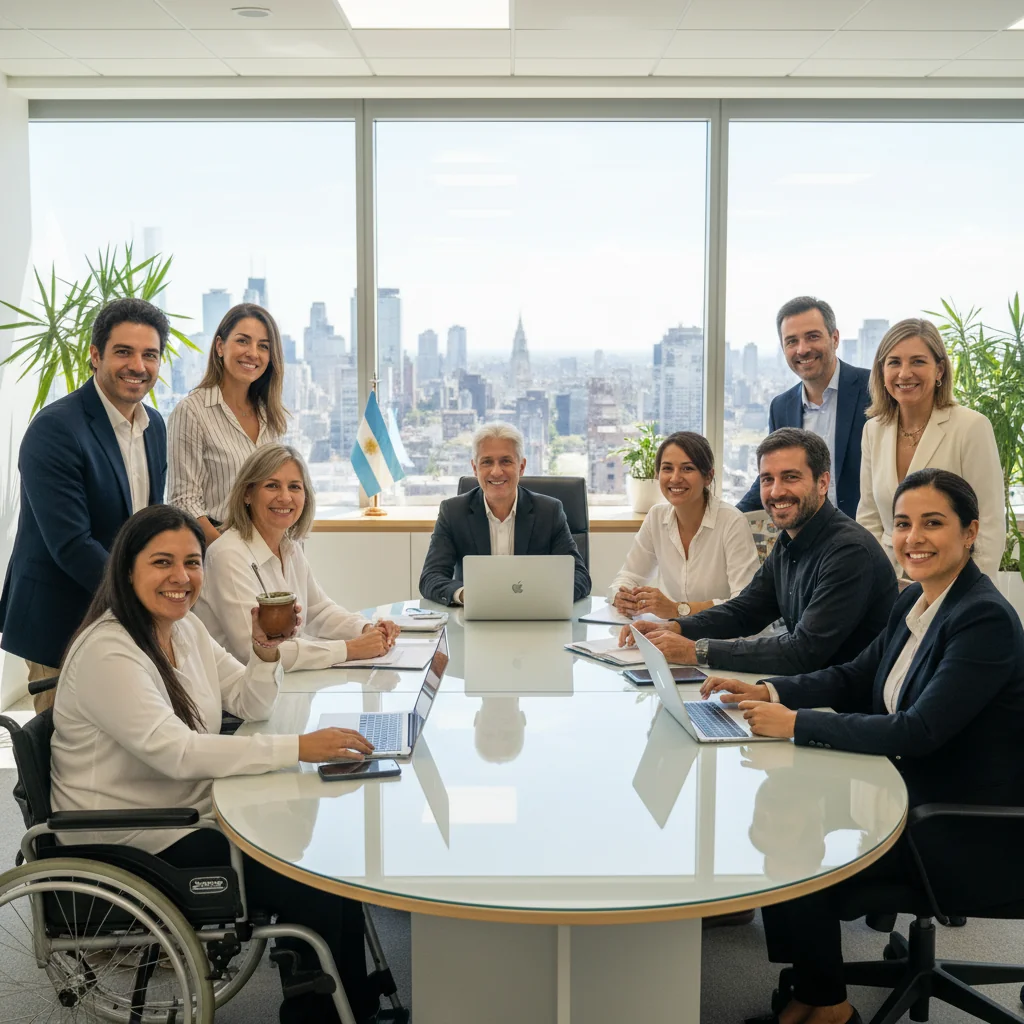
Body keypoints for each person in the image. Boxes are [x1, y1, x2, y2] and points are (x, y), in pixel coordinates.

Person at [701, 470, 1024, 1024]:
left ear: (970, 533)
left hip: (958, 821)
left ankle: (826, 1007)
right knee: (778, 802)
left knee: (794, 837)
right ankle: (814, 990)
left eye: (932, 523)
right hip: (903, 786)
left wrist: (796, 724)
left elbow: (918, 731)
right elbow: (853, 675)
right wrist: (767, 691)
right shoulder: (916, 602)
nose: (913, 537)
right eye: (903, 524)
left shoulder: (983, 618)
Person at [50, 504, 380, 1024]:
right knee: (309, 876)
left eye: (192, 562)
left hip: (188, 810)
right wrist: (299, 747)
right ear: (126, 568)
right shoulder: (109, 653)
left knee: (326, 857)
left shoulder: (184, 631)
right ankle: (325, 1013)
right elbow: (179, 753)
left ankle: (352, 1006)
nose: (182, 578)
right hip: (136, 837)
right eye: (162, 562)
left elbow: (250, 704)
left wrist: (266, 652)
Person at [0, 297, 169, 711]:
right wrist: (143, 597)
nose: (138, 366)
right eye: (123, 352)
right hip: (61, 622)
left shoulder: (154, 426)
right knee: (62, 759)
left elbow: (147, 526)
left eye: (150, 355)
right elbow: (71, 544)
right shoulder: (55, 429)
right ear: (95, 356)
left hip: (123, 616)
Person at [622, 428, 896, 675]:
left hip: (845, 710)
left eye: (790, 477)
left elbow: (803, 652)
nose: (776, 492)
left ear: (822, 483)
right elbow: (746, 610)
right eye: (767, 479)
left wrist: (696, 650)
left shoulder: (848, 552)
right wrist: (674, 627)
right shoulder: (790, 540)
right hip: (809, 689)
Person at [195, 444, 399, 669]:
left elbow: (319, 611)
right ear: (247, 493)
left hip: (285, 687)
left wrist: (367, 629)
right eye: (272, 486)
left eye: (294, 487)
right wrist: (350, 649)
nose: (285, 497)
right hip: (239, 698)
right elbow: (255, 650)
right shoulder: (227, 555)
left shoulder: (290, 548)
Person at [857, 317, 1004, 582]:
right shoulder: (873, 430)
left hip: (952, 582)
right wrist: (871, 584)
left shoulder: (971, 427)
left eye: (918, 361)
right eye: (894, 362)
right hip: (888, 584)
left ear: (939, 370)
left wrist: (972, 597)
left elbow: (990, 525)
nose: (904, 373)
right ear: (881, 372)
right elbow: (868, 518)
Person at [419, 422, 591, 606]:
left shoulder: (549, 512)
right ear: (475, 468)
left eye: (506, 461)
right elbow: (430, 577)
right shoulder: (453, 512)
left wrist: (537, 596)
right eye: (487, 462)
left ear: (521, 466)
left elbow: (580, 577)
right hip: (474, 621)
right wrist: (464, 595)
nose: (496, 471)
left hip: (535, 618)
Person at [737, 296, 871, 519]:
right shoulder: (781, 407)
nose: (802, 349)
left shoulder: (872, 390)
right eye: (791, 341)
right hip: (808, 540)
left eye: (812, 337)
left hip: (867, 536)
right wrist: (728, 519)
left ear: (835, 338)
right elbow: (772, 474)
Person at [168, 303, 287, 548]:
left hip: (266, 549)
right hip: (216, 552)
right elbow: (183, 501)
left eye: (263, 346)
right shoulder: (191, 411)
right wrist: (227, 554)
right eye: (243, 341)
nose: (253, 353)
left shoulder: (270, 416)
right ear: (220, 347)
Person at [610, 431, 760, 618]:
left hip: (724, 639)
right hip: (674, 633)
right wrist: (621, 595)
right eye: (667, 468)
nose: (675, 478)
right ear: (657, 475)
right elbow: (630, 576)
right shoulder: (656, 517)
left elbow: (745, 602)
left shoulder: (732, 521)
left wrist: (678, 609)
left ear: (708, 476)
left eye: (687, 469)